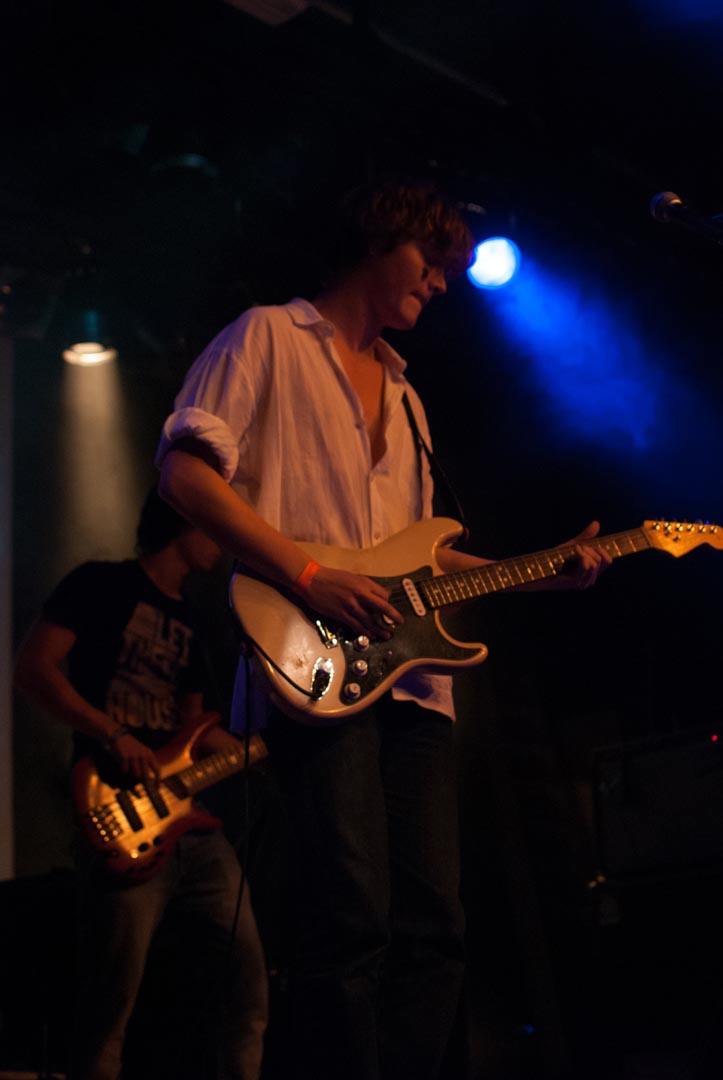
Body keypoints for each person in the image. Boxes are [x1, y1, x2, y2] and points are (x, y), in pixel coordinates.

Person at [154, 178, 611, 1080]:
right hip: (309, 662)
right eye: (431, 258)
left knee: (435, 927)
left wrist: (539, 572)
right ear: (380, 239)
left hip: (412, 682)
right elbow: (184, 476)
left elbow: (416, 557)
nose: (441, 281)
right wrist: (309, 575)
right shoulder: (266, 336)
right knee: (349, 914)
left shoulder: (407, 398)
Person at [13, 488, 269, 1080]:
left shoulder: (196, 621)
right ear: (182, 520)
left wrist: (262, 748)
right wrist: (112, 734)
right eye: (210, 527)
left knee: (248, 984)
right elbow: (33, 668)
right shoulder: (100, 584)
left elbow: (193, 733)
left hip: (191, 829)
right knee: (110, 1005)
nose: (220, 543)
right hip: (117, 812)